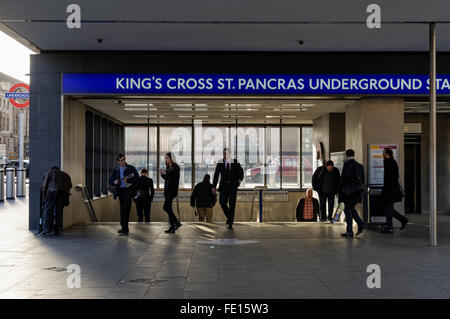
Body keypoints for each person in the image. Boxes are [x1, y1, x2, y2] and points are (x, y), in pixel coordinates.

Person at [212, 148, 244, 229]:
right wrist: (214, 186)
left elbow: (241, 172)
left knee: (232, 204)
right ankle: (230, 218)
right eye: (224, 153)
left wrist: (239, 180)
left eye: (227, 153)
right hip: (223, 186)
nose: (225, 155)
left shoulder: (235, 162)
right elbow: (216, 175)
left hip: (233, 186)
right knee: (222, 203)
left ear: (230, 154)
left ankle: (230, 223)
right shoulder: (220, 162)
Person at [380, 148, 409, 233]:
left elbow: (388, 178)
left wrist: (385, 190)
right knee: (388, 209)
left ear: (387, 153)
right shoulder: (392, 161)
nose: (382, 154)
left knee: (387, 209)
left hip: (389, 190)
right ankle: (401, 220)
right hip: (391, 189)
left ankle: (390, 227)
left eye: (383, 152)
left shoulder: (388, 162)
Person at [109, 154, 139, 235]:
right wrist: (114, 182)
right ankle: (124, 227)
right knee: (122, 209)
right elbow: (110, 180)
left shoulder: (131, 168)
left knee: (126, 208)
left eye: (123, 160)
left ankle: (125, 228)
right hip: (120, 191)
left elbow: (137, 179)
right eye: (120, 160)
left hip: (128, 191)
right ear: (118, 161)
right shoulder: (116, 169)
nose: (122, 162)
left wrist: (129, 180)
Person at [38, 166, 72, 237]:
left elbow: (44, 185)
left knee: (48, 210)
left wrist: (44, 199)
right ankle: (57, 229)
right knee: (58, 211)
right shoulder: (65, 175)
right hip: (62, 193)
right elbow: (70, 185)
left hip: (52, 192)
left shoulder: (49, 173)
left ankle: (46, 229)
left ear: (52, 169)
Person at [339, 149, 365, 239]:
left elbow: (343, 180)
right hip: (357, 193)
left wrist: (341, 192)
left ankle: (350, 231)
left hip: (348, 193)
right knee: (351, 209)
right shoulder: (360, 166)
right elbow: (363, 181)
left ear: (346, 155)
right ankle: (360, 225)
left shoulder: (347, 165)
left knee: (348, 211)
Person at [160, 152, 182, 233]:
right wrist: (163, 174)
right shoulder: (168, 167)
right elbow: (167, 179)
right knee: (168, 208)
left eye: (167, 158)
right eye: (165, 158)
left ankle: (176, 223)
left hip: (172, 190)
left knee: (166, 207)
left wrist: (166, 173)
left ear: (171, 158)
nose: (166, 160)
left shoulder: (175, 167)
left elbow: (173, 178)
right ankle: (172, 226)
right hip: (168, 190)